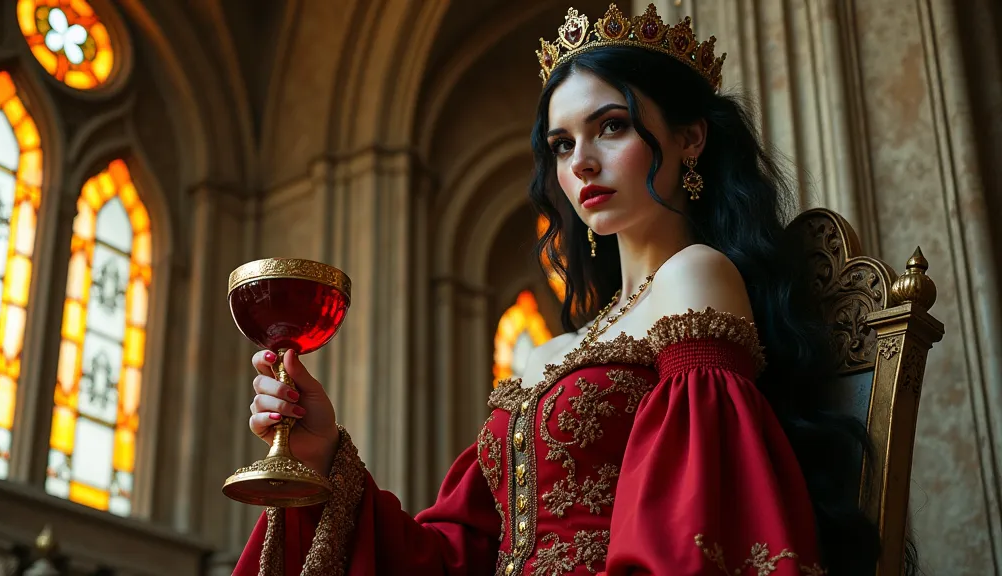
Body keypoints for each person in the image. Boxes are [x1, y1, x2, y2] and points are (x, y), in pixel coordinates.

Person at [234, 4, 887, 575]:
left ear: (690, 138)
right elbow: (457, 557)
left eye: (611, 126)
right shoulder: (549, 353)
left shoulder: (696, 276)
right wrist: (320, 454)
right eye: (560, 143)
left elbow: (693, 540)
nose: (580, 162)